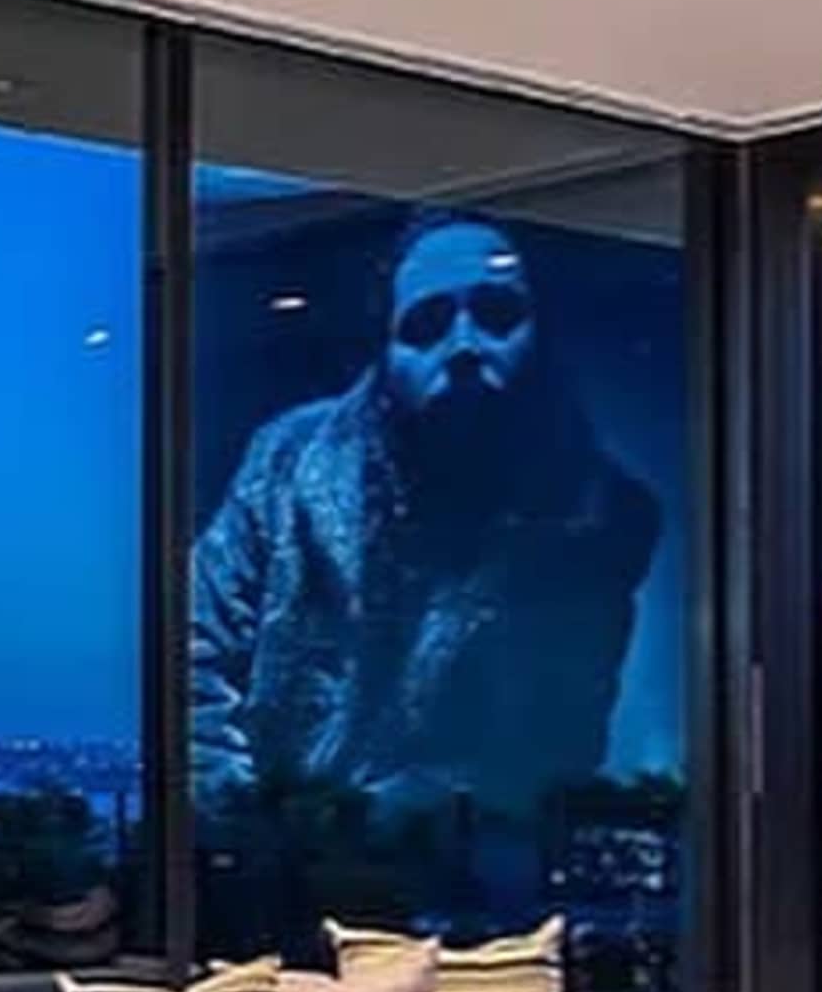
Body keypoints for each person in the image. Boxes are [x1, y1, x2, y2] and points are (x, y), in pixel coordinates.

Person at [190, 213, 661, 816]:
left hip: (458, 850)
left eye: (497, 314)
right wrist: (243, 816)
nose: (464, 347)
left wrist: (423, 820)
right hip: (276, 840)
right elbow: (193, 651)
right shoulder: (285, 458)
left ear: (543, 332)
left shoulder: (606, 515)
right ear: (385, 347)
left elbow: (558, 736)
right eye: (427, 324)